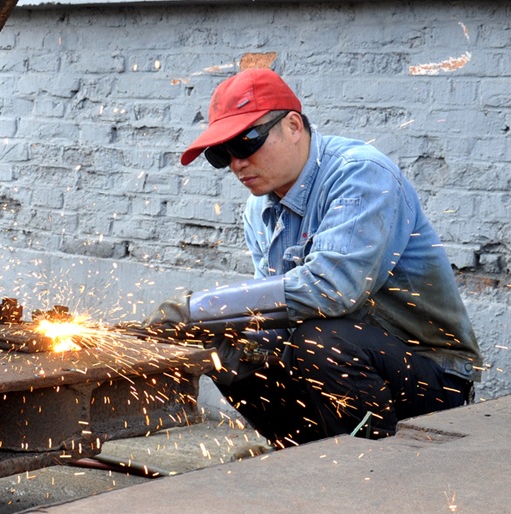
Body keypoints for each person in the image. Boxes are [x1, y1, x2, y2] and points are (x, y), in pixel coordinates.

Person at [144, 68, 482, 448]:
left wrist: (201, 308)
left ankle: (374, 463)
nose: (236, 164)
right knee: (226, 350)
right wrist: (216, 334)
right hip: (344, 373)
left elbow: (331, 290)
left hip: (430, 374)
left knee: (320, 340)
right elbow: (273, 315)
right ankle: (302, 454)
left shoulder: (361, 175)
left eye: (246, 143)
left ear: (292, 126)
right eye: (221, 154)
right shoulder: (259, 210)